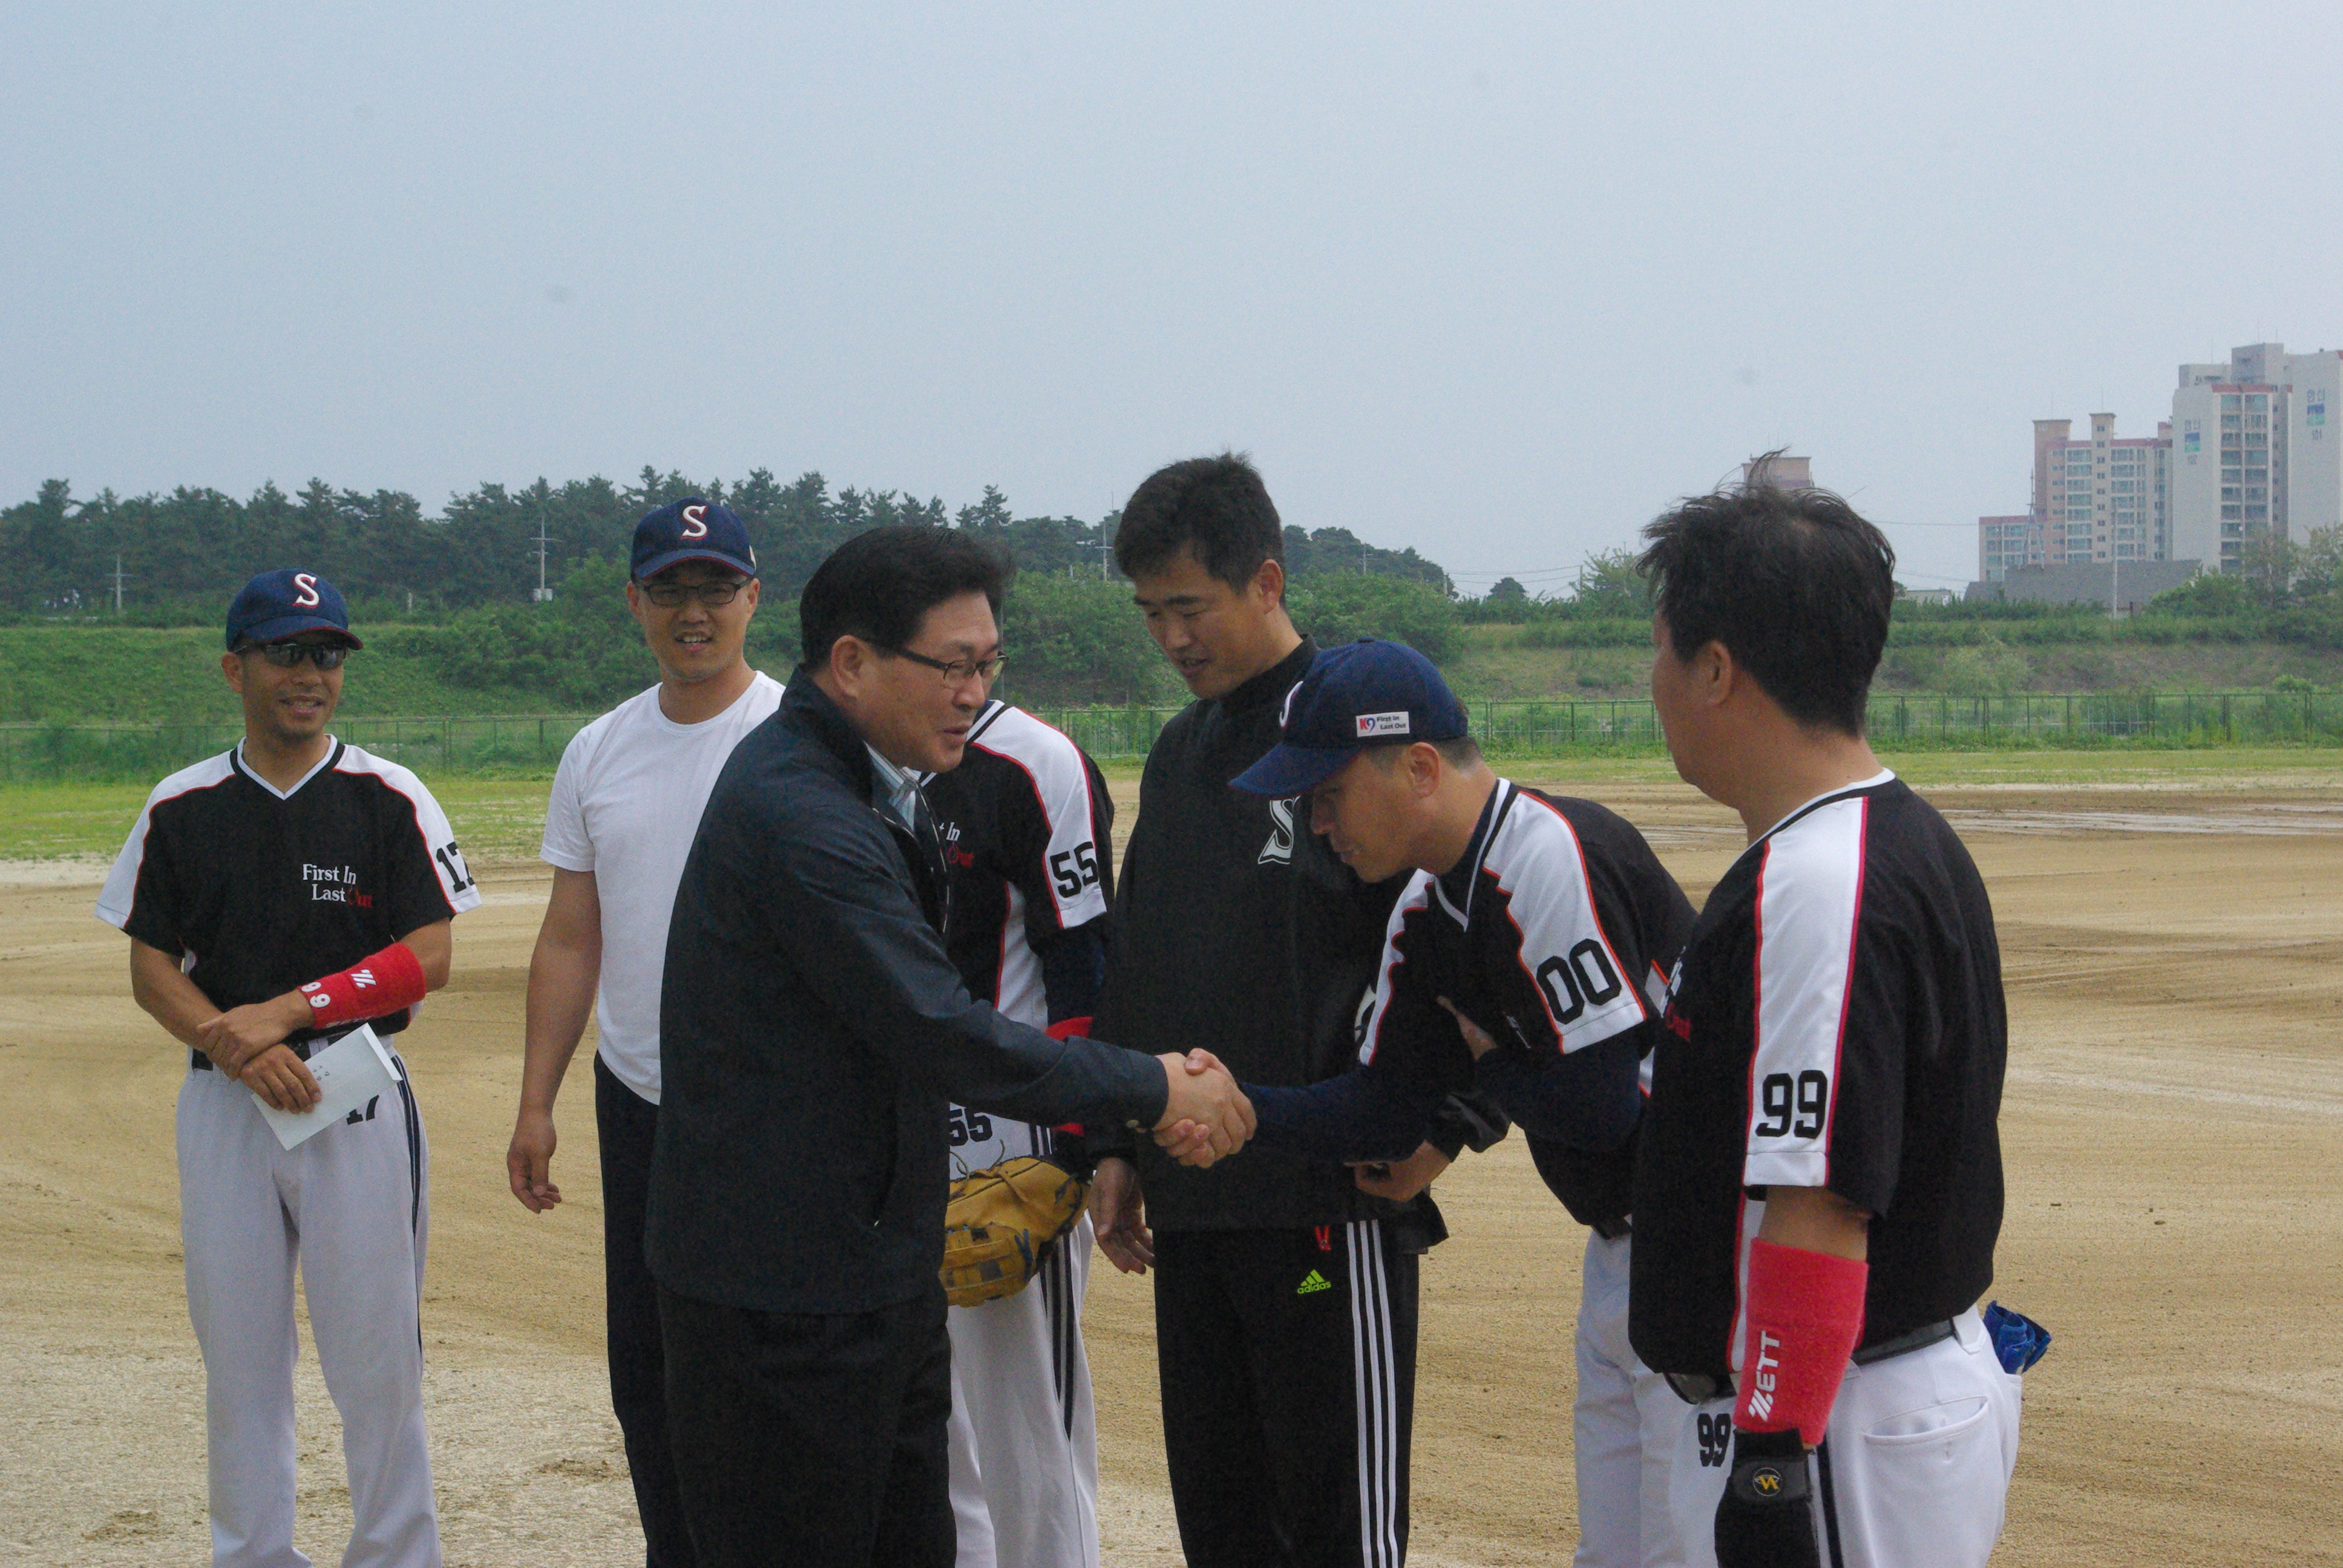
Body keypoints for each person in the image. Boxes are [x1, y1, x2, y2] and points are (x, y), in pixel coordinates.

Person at [643, 524, 1254, 1568]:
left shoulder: (868, 780)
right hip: (784, 1293)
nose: (975, 694)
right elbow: (935, 1025)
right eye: (954, 667)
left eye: (989, 666)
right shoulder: (802, 814)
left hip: (869, 1265)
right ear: (852, 663)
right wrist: (1149, 1089)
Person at [1193, 637, 1701, 1568]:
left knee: (1688, 1553)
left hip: (1713, 1250)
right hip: (1626, 1252)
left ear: (1420, 769)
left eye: (1329, 793)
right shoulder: (1425, 907)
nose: (1316, 823)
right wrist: (1240, 1108)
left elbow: (1602, 1109)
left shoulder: (1548, 855)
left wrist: (1486, 1065)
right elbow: (1386, 1109)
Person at [1087, 456, 1502, 1568]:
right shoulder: (1180, 754)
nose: (1172, 638)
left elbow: (1472, 945)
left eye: (1191, 607)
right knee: (1222, 1524)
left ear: (1266, 582)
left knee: (1337, 1531)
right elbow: (1142, 961)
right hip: (1196, 1208)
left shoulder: (1355, 728)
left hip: (1327, 1202)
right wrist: (1117, 1144)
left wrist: (1447, 1127)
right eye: (1151, 613)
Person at [1628, 475, 2022, 1568]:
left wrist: (1770, 1458)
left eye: (1659, 650)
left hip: (1834, 1414)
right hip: (1855, 1399)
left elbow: (1821, 1206)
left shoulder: (1820, 880)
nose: (1651, 682)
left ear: (1716, 670)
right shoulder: (1877, 838)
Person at [96, 569, 480, 1568]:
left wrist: (290, 1012)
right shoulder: (182, 804)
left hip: (354, 1089)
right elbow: (149, 968)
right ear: (236, 669)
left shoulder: (388, 794)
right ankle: (253, 1555)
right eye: (286, 653)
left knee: (377, 1360)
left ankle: (394, 1555)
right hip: (223, 1098)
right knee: (239, 1360)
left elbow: (429, 956)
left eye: (327, 655)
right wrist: (237, 1043)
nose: (310, 674)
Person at [503, 497, 782, 1567]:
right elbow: (572, 937)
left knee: (767, 1356)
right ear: (634, 602)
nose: (693, 611)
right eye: (670, 590)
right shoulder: (599, 750)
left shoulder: (799, 737)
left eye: (715, 588)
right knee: (651, 1362)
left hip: (771, 1099)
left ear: (754, 597)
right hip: (639, 1096)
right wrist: (535, 1103)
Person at [921, 696, 1117, 1568]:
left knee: (1027, 1420)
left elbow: (1085, 957)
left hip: (1011, 1143)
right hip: (896, 1124)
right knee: (926, 1422)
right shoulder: (857, 754)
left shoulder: (1032, 763)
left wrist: (1083, 1138)